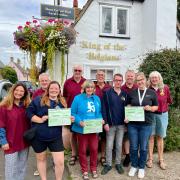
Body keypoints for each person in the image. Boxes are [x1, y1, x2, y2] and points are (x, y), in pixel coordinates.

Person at [26, 81, 68, 180]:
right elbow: (28, 113)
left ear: (59, 90)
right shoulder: (38, 100)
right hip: (39, 136)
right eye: (52, 88)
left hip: (55, 137)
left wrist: (68, 119)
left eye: (56, 88)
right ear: (48, 89)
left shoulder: (62, 102)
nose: (54, 90)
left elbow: (63, 119)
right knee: (41, 159)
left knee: (60, 162)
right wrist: (40, 119)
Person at [125, 72, 158, 179]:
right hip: (133, 125)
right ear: (136, 81)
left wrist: (150, 108)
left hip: (146, 124)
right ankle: (134, 165)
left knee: (143, 147)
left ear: (145, 80)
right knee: (134, 147)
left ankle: (141, 167)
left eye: (142, 79)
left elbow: (156, 107)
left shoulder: (152, 93)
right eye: (138, 80)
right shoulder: (132, 93)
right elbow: (128, 105)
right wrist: (127, 116)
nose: (140, 82)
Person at [71, 80, 103, 180]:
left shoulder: (97, 98)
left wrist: (101, 119)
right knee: (82, 150)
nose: (89, 89)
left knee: (94, 149)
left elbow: (99, 113)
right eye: (87, 87)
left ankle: (93, 168)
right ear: (84, 89)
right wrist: (79, 121)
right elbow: (73, 113)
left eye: (91, 87)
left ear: (94, 89)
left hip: (93, 129)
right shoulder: (77, 98)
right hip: (82, 129)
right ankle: (84, 170)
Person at [0, 83, 31, 180]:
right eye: (17, 90)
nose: (19, 93)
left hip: (24, 142)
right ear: (12, 91)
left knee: (21, 167)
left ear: (25, 93)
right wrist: (3, 141)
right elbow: (0, 125)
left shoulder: (26, 107)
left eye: (22, 91)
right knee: (10, 169)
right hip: (10, 143)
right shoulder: (4, 107)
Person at [101, 73, 127, 175]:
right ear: (113, 81)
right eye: (116, 80)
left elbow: (127, 108)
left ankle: (118, 163)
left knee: (119, 145)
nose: (118, 82)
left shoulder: (125, 94)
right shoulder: (107, 93)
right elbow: (104, 109)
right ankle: (108, 164)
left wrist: (127, 120)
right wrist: (105, 123)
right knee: (109, 145)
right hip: (110, 124)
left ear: (122, 81)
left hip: (121, 125)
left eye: (120, 80)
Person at [146, 71, 172, 170]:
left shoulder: (165, 88)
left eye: (156, 77)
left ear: (159, 78)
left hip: (162, 115)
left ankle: (161, 160)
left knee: (160, 137)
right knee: (151, 137)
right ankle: (150, 159)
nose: (154, 79)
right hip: (151, 116)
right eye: (152, 78)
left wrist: (163, 109)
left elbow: (169, 101)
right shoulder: (148, 89)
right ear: (150, 79)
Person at [63, 65, 86, 165]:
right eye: (75, 70)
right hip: (71, 113)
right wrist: (65, 109)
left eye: (79, 70)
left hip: (83, 114)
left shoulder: (85, 82)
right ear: (73, 71)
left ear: (82, 72)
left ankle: (83, 153)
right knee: (73, 134)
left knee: (82, 134)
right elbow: (63, 97)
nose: (77, 72)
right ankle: (73, 154)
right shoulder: (67, 82)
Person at [32, 72, 51, 176]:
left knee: (53, 145)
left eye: (46, 80)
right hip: (41, 123)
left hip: (53, 123)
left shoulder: (54, 90)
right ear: (40, 82)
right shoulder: (36, 93)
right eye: (42, 81)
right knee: (40, 148)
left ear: (49, 81)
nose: (44, 82)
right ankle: (39, 167)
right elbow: (33, 110)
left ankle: (54, 163)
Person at [121, 70, 138, 167]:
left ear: (134, 77)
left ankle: (135, 155)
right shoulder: (122, 88)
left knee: (136, 137)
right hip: (125, 117)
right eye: (128, 76)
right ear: (125, 77)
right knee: (126, 137)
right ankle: (127, 155)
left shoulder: (138, 88)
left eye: (132, 76)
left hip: (137, 117)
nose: (130, 78)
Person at [95, 70, 111, 166]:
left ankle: (103, 156)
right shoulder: (92, 87)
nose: (100, 76)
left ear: (105, 77)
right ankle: (95, 156)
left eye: (102, 75)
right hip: (95, 116)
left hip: (105, 116)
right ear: (96, 76)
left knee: (104, 137)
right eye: (99, 75)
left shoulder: (109, 88)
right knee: (95, 137)